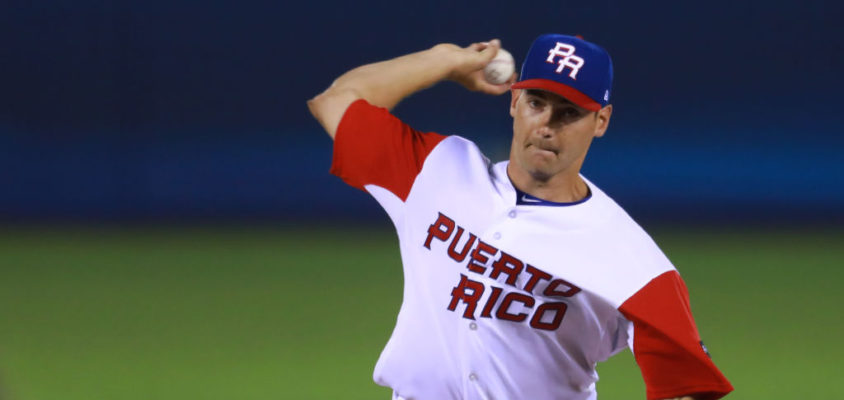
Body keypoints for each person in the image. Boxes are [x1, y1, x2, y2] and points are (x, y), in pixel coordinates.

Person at [307, 34, 733, 400]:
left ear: (600, 121)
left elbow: (688, 384)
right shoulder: (437, 171)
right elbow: (337, 101)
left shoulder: (632, 256)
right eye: (536, 103)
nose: (546, 125)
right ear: (515, 101)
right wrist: (445, 60)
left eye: (569, 112)